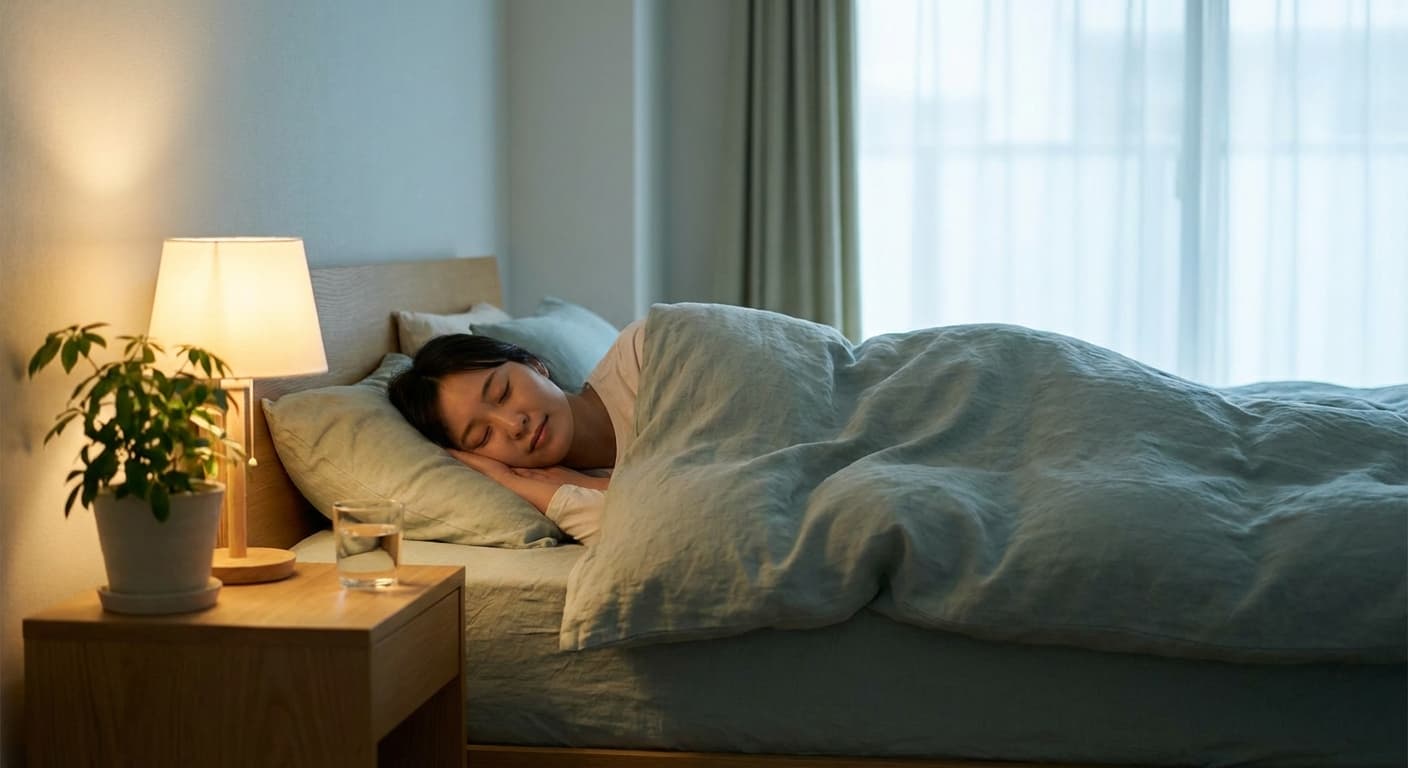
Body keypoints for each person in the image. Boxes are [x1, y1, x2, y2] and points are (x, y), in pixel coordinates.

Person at [388, 320, 645, 545]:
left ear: (534, 365)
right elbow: (654, 534)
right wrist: (510, 481)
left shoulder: (643, 351)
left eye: (503, 393)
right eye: (483, 436)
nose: (514, 425)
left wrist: (588, 485)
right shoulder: (563, 490)